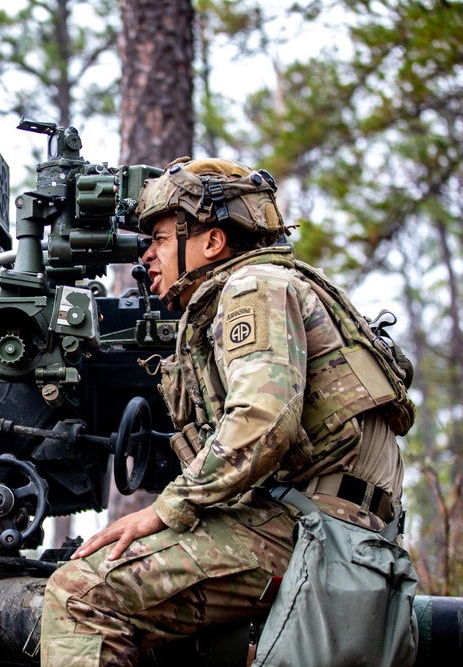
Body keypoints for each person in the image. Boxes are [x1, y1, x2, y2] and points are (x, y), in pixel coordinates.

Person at [39, 157, 414, 666]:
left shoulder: (252, 288)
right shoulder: (258, 289)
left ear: (212, 242)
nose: (145, 256)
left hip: (308, 525)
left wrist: (167, 509)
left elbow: (263, 421)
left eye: (162, 239)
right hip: (318, 519)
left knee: (79, 592)